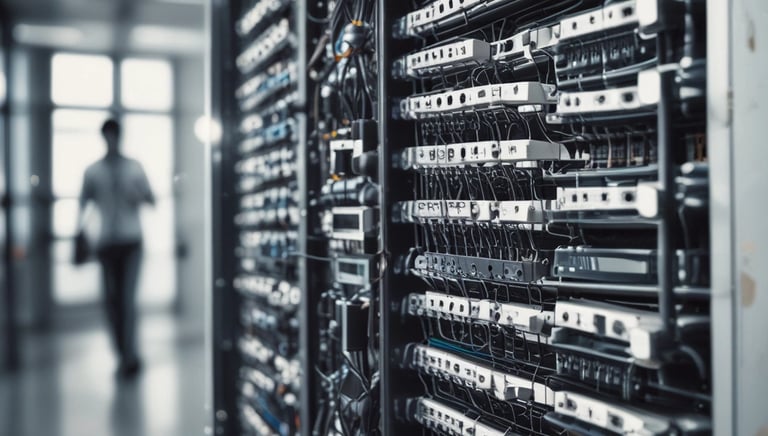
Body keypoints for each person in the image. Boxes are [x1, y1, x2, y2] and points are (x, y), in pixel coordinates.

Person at [78, 119, 155, 377]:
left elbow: (151, 199)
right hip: (106, 243)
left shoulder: (134, 168)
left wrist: (137, 194)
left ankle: (130, 355)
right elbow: (84, 204)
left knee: (127, 301)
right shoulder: (93, 171)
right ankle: (122, 353)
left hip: (131, 241)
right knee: (112, 302)